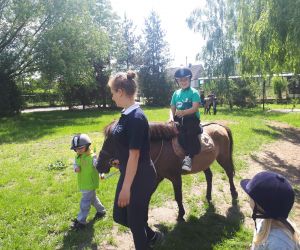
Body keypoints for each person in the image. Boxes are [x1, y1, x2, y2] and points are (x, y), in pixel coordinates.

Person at [107, 71, 162, 249]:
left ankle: (146, 239)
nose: (112, 97)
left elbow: (135, 155)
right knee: (120, 216)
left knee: (135, 224)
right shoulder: (126, 114)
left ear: (121, 91)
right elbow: (125, 146)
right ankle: (152, 236)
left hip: (141, 176)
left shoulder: (137, 118)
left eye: (113, 92)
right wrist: (118, 161)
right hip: (129, 170)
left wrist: (126, 188)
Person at [240, 171, 300, 249]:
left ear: (260, 205)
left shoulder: (278, 244)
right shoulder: (265, 220)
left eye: (251, 197)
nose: (249, 198)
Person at [70, 133, 106, 230]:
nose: (78, 150)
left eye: (80, 148)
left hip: (90, 184)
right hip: (83, 183)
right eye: (76, 149)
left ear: (87, 146)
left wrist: (101, 173)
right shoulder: (78, 156)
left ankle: (81, 221)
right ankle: (101, 211)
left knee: (85, 203)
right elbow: (75, 164)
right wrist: (75, 167)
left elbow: (98, 166)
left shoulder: (92, 157)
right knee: (93, 199)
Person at [170, 67, 201, 171]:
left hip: (191, 119)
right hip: (178, 118)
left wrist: (183, 112)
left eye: (185, 79)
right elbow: (172, 109)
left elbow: (195, 108)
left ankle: (189, 157)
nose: (183, 82)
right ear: (178, 82)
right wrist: (171, 118)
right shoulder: (176, 94)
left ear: (189, 80)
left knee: (188, 133)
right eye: (181, 80)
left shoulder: (194, 92)